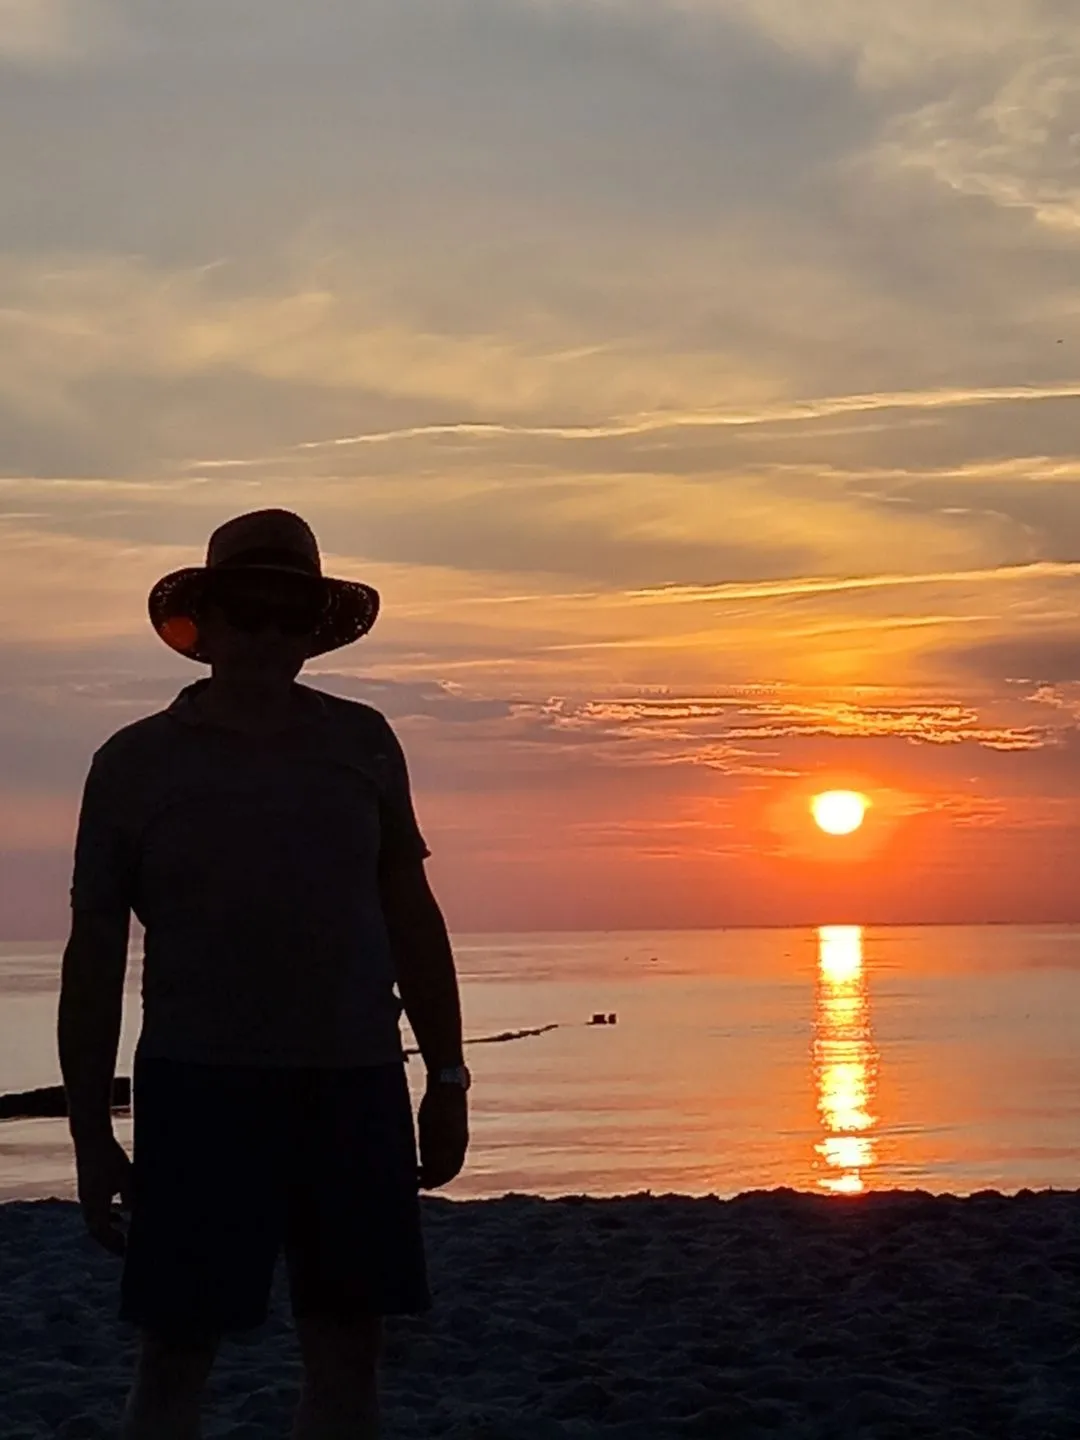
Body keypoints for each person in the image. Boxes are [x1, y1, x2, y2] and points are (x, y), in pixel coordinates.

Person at [57, 509, 469, 1440]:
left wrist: (446, 1078)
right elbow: (94, 956)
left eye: (293, 615)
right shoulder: (133, 764)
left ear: (314, 632)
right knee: (175, 1354)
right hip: (200, 1088)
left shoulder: (363, 742)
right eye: (249, 610)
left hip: (356, 1083)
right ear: (207, 622)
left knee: (348, 1348)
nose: (269, 634)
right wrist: (90, 1132)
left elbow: (412, 917)